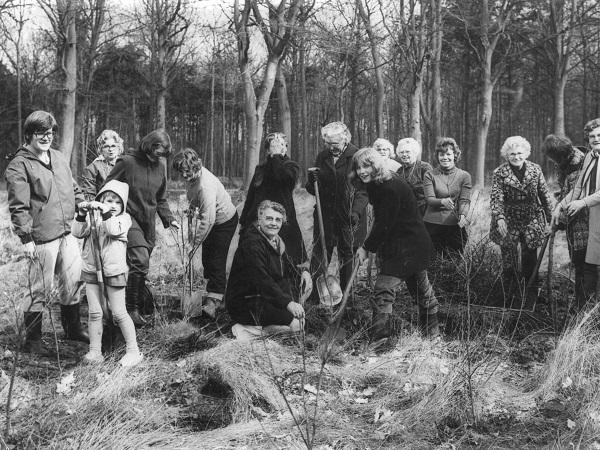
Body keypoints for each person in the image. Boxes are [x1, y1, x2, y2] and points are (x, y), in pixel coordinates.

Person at [5, 110, 89, 354]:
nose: (46, 137)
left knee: (73, 281)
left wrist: (81, 201)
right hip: (41, 237)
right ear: (30, 135)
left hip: (67, 232)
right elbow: (18, 207)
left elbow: (72, 187)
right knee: (39, 288)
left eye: (49, 133)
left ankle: (72, 328)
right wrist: (26, 238)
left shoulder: (59, 157)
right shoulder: (19, 165)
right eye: (40, 133)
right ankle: (33, 341)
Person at [353, 148, 439, 342]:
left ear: (376, 165)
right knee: (421, 289)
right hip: (407, 245)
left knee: (383, 289)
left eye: (366, 166)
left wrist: (366, 247)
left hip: (408, 247)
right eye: (358, 167)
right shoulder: (379, 183)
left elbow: (384, 224)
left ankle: (380, 342)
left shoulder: (390, 187)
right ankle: (432, 337)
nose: (361, 171)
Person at [103, 130, 180, 326]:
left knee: (139, 267)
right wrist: (111, 213)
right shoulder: (127, 162)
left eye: (163, 154)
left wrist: (170, 219)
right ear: (150, 145)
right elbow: (107, 189)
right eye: (158, 151)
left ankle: (124, 304)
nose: (159, 156)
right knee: (140, 259)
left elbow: (160, 198)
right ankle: (132, 310)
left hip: (148, 222)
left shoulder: (160, 168)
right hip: (128, 218)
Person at [72, 180, 143, 367]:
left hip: (113, 271)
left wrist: (103, 211)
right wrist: (81, 214)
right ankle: (95, 352)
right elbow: (77, 233)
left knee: (119, 312)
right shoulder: (92, 218)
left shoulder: (124, 219)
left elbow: (112, 230)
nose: (111, 205)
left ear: (123, 205)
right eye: (107, 200)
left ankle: (133, 351)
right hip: (91, 269)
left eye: (116, 202)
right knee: (95, 312)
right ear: (100, 199)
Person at [225, 200, 311, 339]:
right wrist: (288, 303)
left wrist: (304, 272)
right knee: (297, 326)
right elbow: (262, 280)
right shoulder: (252, 244)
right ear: (259, 219)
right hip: (245, 302)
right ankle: (245, 329)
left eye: (278, 220)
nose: (274, 223)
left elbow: (287, 267)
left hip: (263, 296)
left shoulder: (275, 241)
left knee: (299, 297)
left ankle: (265, 327)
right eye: (269, 218)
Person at [306, 122, 369, 301]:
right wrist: (312, 181)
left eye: (334, 143)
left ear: (345, 139)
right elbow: (314, 190)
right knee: (319, 255)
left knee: (347, 257)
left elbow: (364, 191)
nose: (330, 147)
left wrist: (356, 211)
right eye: (327, 143)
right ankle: (314, 298)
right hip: (325, 216)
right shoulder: (322, 156)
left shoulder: (357, 157)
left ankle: (346, 302)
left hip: (349, 216)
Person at [172, 148, 238, 318]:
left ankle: (213, 303)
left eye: (187, 171)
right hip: (211, 219)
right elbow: (195, 198)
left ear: (195, 166)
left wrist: (194, 243)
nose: (184, 175)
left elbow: (208, 220)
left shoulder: (205, 185)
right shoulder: (193, 177)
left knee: (216, 259)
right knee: (207, 258)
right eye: (181, 172)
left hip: (224, 221)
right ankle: (217, 295)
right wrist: (192, 209)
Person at [491, 136, 553, 303]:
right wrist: (500, 219)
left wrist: (550, 221)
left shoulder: (535, 169)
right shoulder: (500, 172)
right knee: (509, 262)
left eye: (519, 153)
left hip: (531, 219)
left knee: (530, 260)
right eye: (512, 154)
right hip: (508, 220)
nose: (516, 157)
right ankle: (510, 297)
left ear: (526, 153)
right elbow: (497, 198)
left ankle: (531, 297)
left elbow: (545, 196)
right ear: (506, 155)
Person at [239, 132, 307, 280]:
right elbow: (252, 194)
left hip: (282, 222)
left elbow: (283, 177)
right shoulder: (260, 168)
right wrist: (244, 221)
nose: (279, 148)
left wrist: (277, 157)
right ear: (267, 149)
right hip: (258, 220)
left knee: (285, 260)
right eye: (274, 145)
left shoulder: (291, 166)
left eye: (282, 145)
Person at [552, 118, 600, 307]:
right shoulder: (589, 156)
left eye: (599, 135)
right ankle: (584, 320)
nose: (595, 139)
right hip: (593, 220)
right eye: (591, 137)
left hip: (592, 212)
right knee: (588, 267)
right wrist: (560, 206)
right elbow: (578, 188)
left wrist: (582, 203)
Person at [542, 135, 587, 312]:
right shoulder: (563, 163)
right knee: (577, 262)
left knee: (583, 263)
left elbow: (578, 196)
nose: (553, 161)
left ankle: (583, 305)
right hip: (571, 222)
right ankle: (579, 301)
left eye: (555, 158)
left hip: (583, 221)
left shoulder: (582, 166)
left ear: (562, 155)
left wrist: (558, 222)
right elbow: (567, 191)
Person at [423, 137, 471, 255]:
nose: (445, 157)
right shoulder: (429, 174)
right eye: (441, 154)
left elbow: (464, 200)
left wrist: (463, 214)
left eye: (448, 154)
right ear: (437, 156)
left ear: (455, 155)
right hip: (432, 225)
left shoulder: (464, 176)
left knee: (454, 261)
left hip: (454, 224)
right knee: (433, 262)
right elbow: (429, 199)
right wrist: (442, 201)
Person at [81, 130, 124, 200]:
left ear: (119, 147)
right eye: (106, 146)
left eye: (113, 146)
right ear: (101, 149)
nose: (110, 149)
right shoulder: (93, 168)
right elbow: (88, 195)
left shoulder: (124, 165)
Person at [396, 138, 433, 217]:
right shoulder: (399, 171)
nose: (404, 154)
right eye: (401, 152)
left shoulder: (424, 167)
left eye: (407, 152)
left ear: (414, 152)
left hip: (424, 210)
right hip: (405, 210)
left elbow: (434, 190)